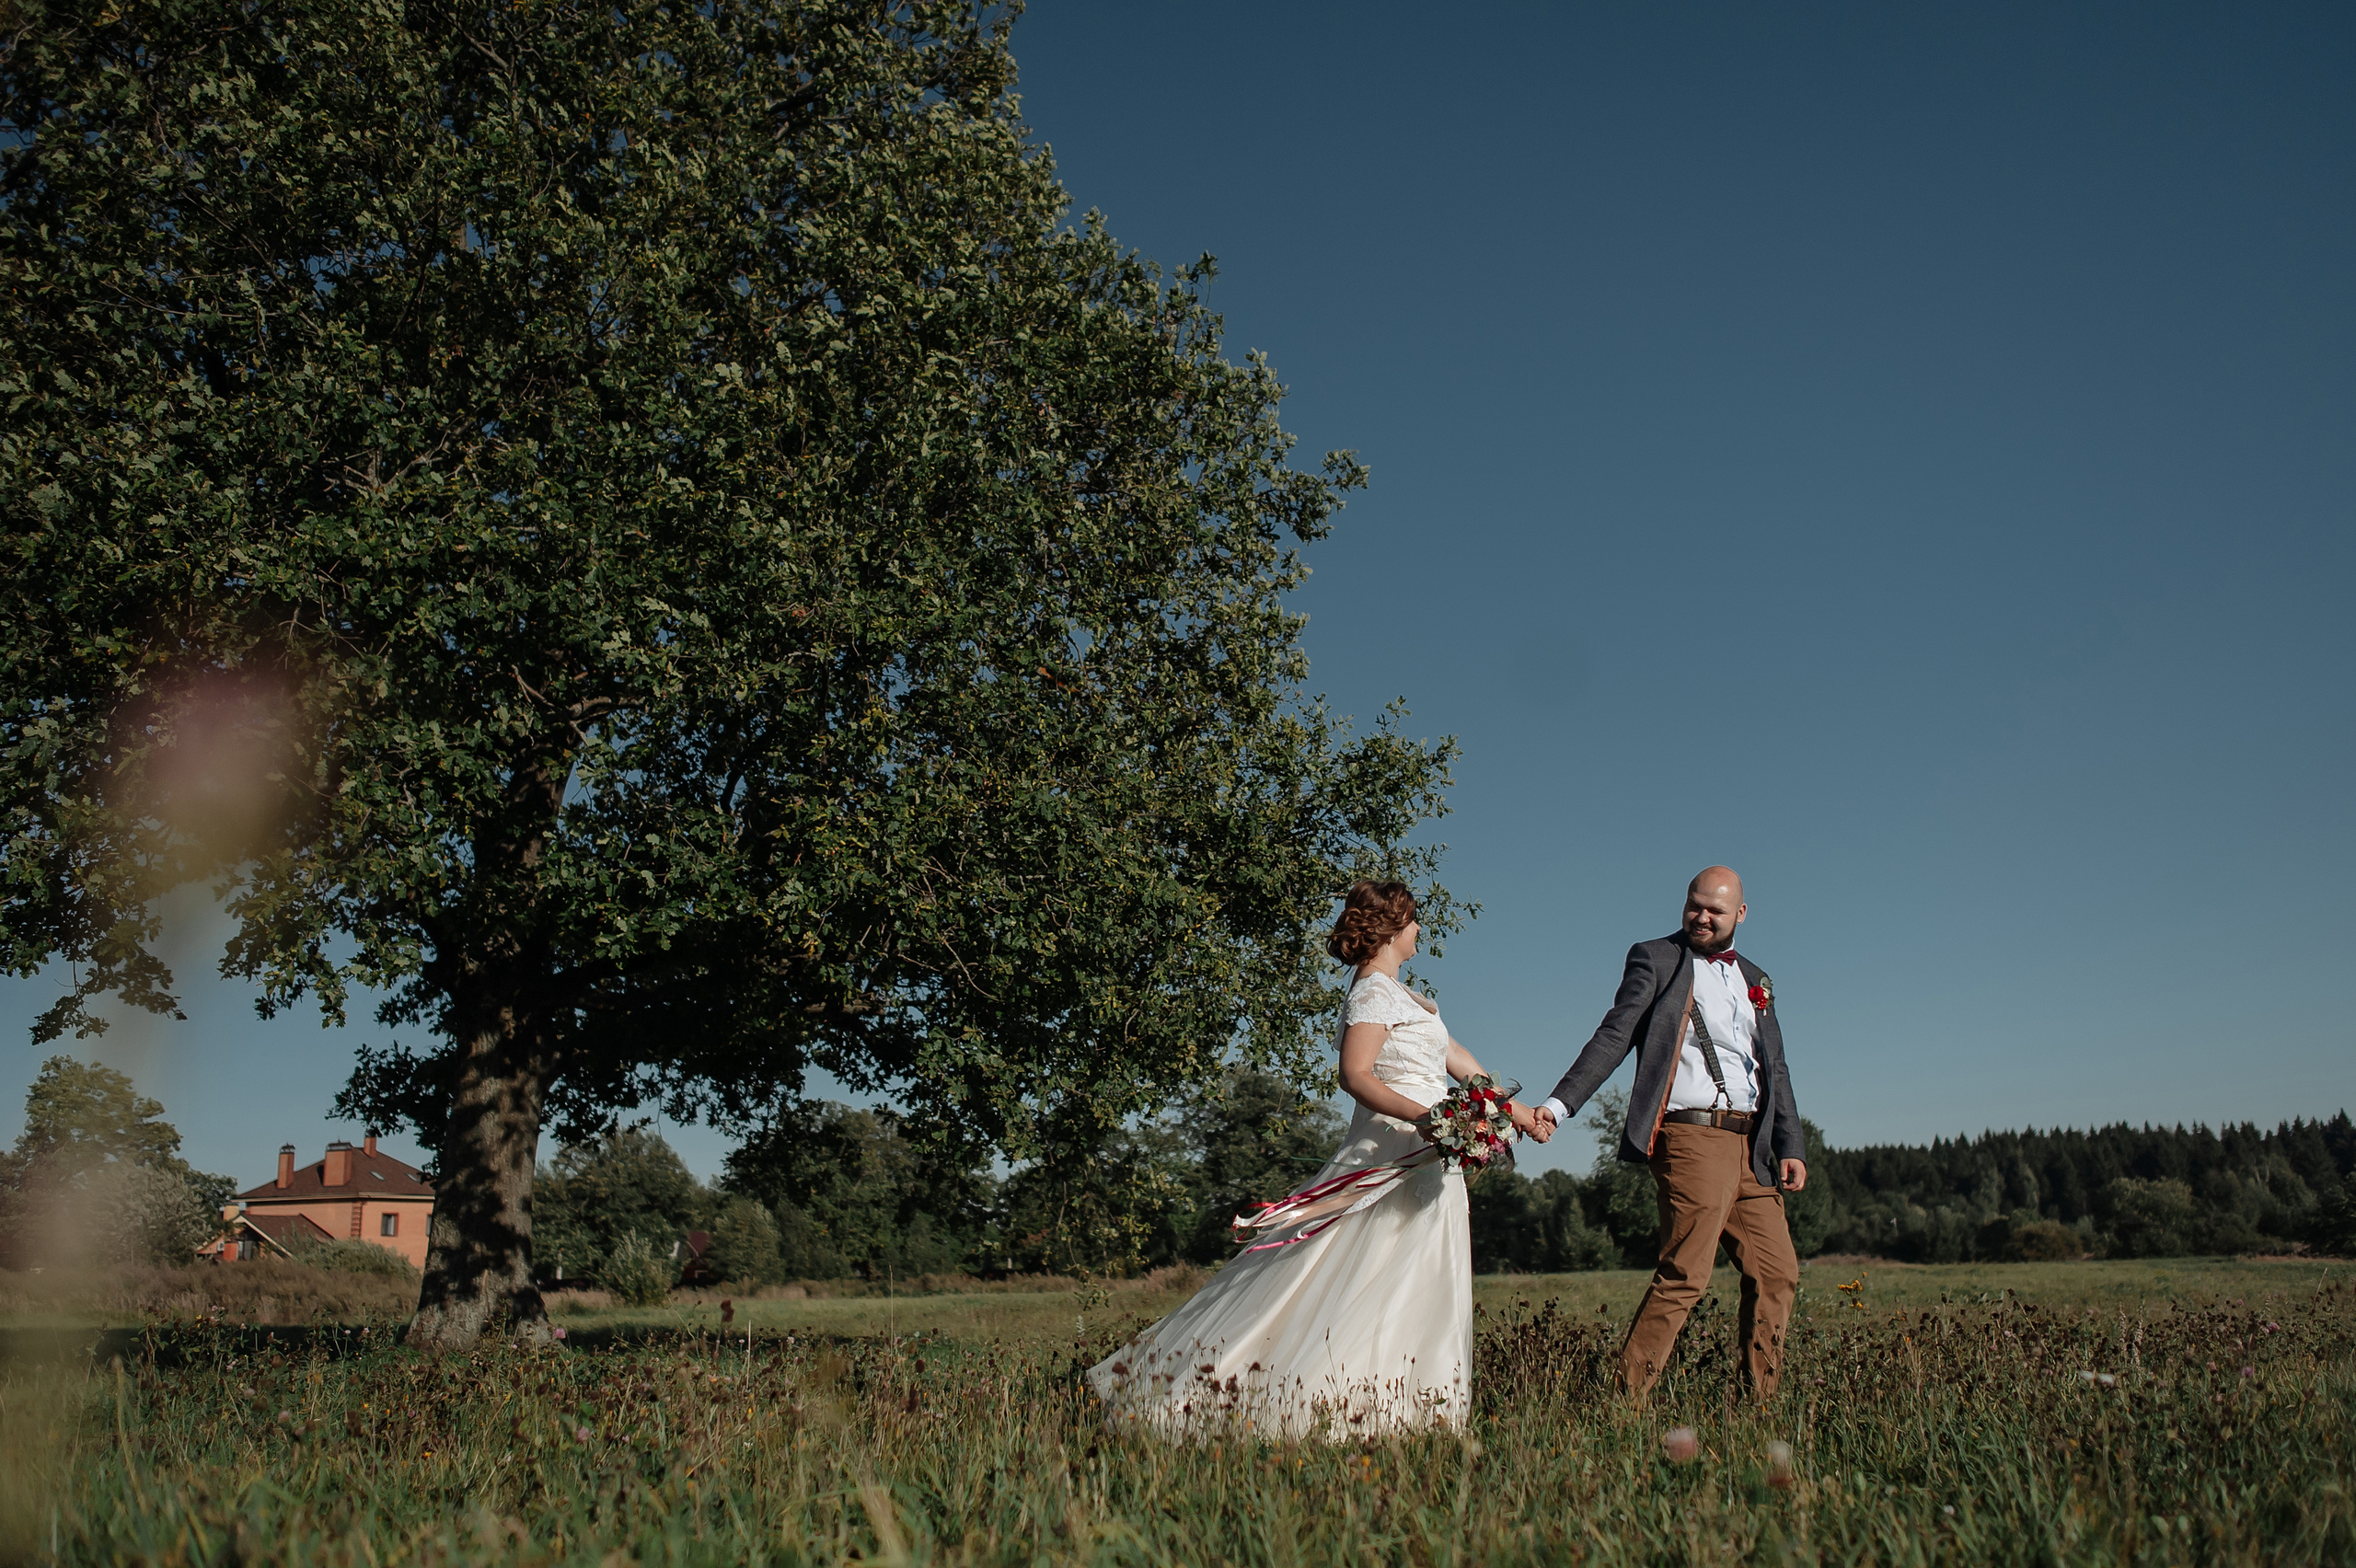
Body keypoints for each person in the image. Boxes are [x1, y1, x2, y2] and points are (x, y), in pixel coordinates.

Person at [1088, 880, 1548, 1438]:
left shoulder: (1410, 998)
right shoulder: (1372, 994)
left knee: (1417, 1270)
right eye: (1414, 920)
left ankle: (1412, 1408)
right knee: (1343, 1268)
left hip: (1433, 1155)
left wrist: (1517, 1112)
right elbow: (1354, 1075)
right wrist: (1425, 1119)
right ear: (1393, 927)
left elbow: (1461, 1062)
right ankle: (1310, 1399)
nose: (1420, 930)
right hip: (1391, 1148)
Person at [1535, 866, 1807, 1403]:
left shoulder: (1756, 978)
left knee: (1778, 1272)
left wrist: (1789, 1144)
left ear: (1741, 915)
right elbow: (1614, 1035)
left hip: (1752, 1144)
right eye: (1694, 905)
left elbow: (1774, 1067)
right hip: (1691, 1135)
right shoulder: (1656, 958)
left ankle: (1761, 1405)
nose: (1702, 917)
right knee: (1687, 1272)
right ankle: (1623, 1400)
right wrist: (1558, 1105)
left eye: (1716, 910)